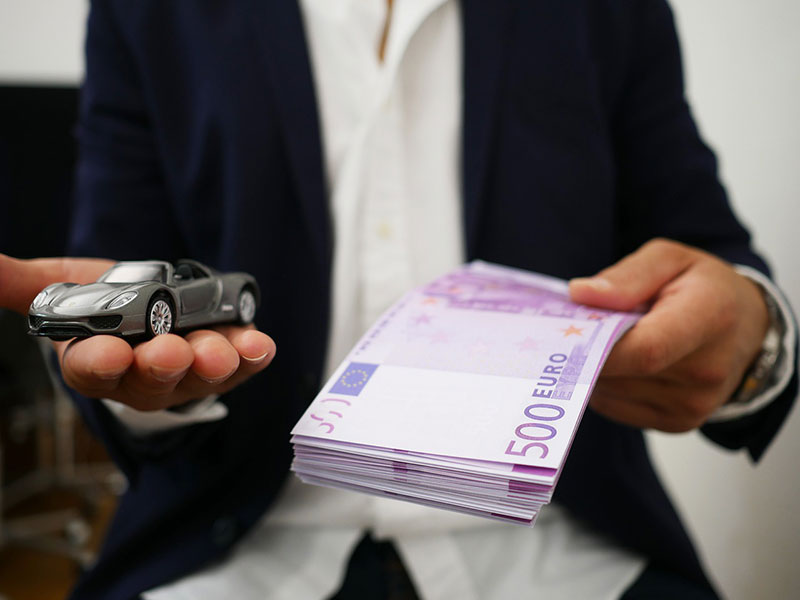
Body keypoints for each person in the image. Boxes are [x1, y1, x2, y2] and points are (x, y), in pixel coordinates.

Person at [0, 1, 796, 598]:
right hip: (231, 547)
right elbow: (115, 264)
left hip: (574, 550)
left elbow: (708, 250)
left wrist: (752, 344)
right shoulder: (147, 12)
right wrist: (155, 395)